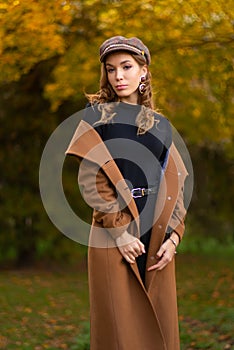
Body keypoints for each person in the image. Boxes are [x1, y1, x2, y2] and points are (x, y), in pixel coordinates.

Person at [66, 36, 190, 350]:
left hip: (156, 239)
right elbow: (92, 178)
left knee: (159, 331)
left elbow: (176, 183)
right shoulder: (96, 116)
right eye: (111, 69)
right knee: (119, 334)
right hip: (113, 235)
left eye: (126, 67)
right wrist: (120, 232)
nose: (118, 76)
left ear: (143, 71)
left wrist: (174, 236)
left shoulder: (161, 125)